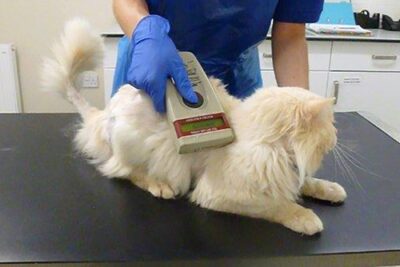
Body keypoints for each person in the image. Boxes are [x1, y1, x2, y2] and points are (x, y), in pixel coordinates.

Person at [112, 0, 324, 113]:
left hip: (236, 73)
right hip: (156, 59)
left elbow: (290, 35)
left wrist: (302, 107)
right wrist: (146, 34)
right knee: (141, 171)